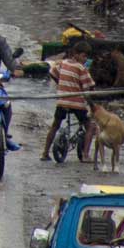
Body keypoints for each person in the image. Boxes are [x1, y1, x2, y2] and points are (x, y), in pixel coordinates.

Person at [43, 31, 95, 162]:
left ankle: (44, 153)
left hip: (62, 102)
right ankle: (85, 155)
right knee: (90, 126)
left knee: (55, 125)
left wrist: (61, 85)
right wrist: (92, 103)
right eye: (84, 57)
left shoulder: (62, 63)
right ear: (76, 54)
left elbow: (53, 73)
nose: (85, 60)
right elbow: (88, 87)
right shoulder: (81, 69)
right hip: (77, 104)